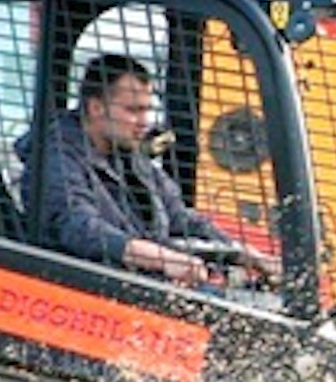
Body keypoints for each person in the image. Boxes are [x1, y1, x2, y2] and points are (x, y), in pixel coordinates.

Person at [19, 53, 277, 288]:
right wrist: (162, 259)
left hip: (137, 285)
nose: (145, 122)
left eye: (147, 110)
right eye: (133, 110)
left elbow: (179, 218)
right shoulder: (55, 159)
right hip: (83, 289)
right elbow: (81, 228)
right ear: (96, 107)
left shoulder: (128, 156)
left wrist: (242, 253)